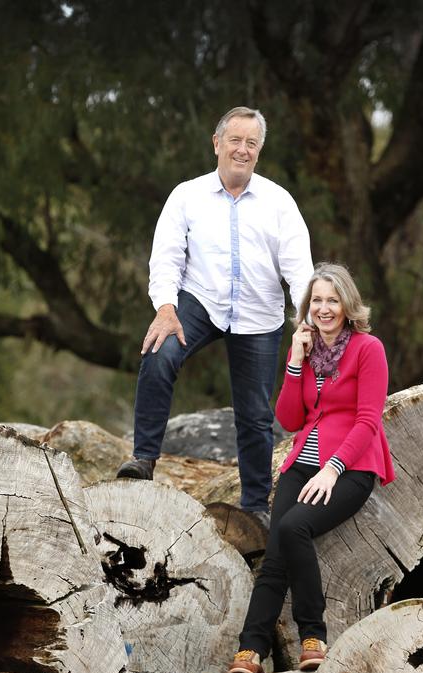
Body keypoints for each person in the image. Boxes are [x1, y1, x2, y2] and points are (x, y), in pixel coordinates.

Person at [117, 106, 313, 518]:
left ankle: (256, 507)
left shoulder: (279, 202)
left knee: (256, 414)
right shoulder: (186, 195)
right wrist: (166, 308)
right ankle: (144, 460)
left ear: (259, 151)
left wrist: (307, 318)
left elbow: (299, 270)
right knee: (160, 352)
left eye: (251, 143)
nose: (242, 150)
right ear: (217, 144)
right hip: (199, 301)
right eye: (235, 140)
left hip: (259, 312)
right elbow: (166, 257)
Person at [226, 262, 395, 673]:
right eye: (317, 300)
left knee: (294, 528)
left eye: (332, 300)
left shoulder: (367, 349)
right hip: (301, 464)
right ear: (307, 306)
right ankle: (251, 649)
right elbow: (289, 418)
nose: (324, 308)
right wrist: (296, 361)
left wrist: (334, 469)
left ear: (347, 304)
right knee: (276, 552)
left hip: (351, 467)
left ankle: (313, 637)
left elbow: (369, 419)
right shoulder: (305, 349)